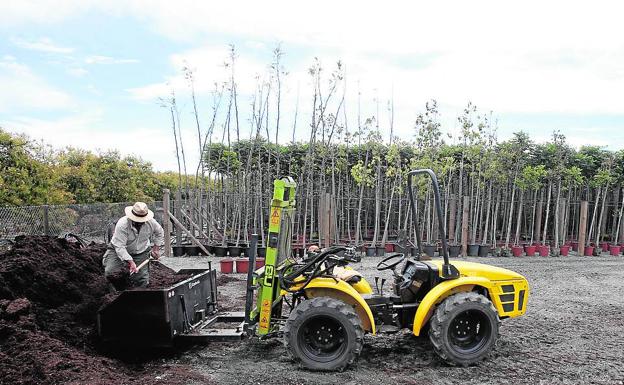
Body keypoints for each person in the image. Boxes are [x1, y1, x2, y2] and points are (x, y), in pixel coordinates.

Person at [103, 202, 164, 291]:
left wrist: (156, 249)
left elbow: (160, 233)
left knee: (141, 279)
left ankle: (137, 298)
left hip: (141, 251)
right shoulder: (123, 224)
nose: (140, 222)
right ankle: (113, 295)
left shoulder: (151, 223)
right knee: (111, 273)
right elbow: (120, 247)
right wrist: (131, 262)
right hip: (117, 250)